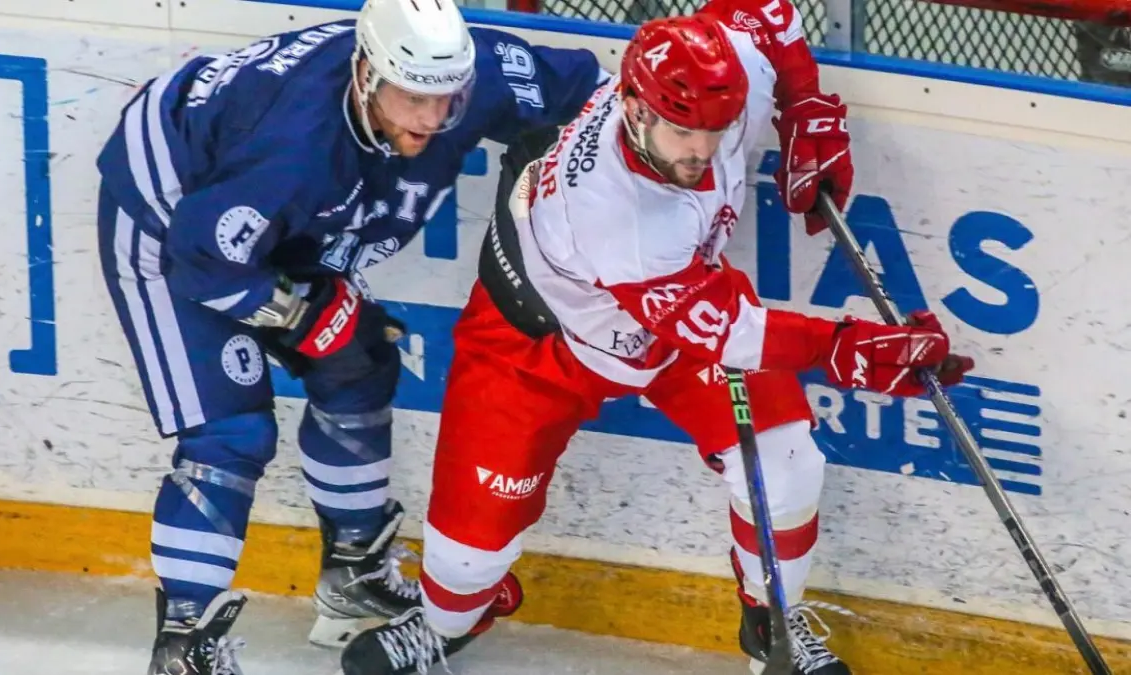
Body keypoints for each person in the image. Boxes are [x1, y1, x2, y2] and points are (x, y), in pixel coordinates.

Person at [337, 4, 974, 675]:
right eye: (682, 132)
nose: (701, 151)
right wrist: (850, 349)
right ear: (636, 109)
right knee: (464, 561)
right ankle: (446, 622)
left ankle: (773, 625)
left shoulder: (723, 80)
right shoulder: (614, 209)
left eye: (716, 131)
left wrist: (805, 105)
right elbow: (728, 331)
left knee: (787, 464)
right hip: (535, 342)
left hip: (679, 314)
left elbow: (767, 15)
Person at [93, 0, 607, 670]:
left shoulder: (473, 73)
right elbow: (203, 260)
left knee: (358, 362)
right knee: (229, 434)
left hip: (277, 218)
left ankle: (353, 572)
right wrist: (303, 317)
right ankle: (183, 645)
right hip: (173, 224)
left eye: (446, 99)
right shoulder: (292, 146)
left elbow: (605, 95)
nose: (432, 118)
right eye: (414, 98)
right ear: (366, 75)